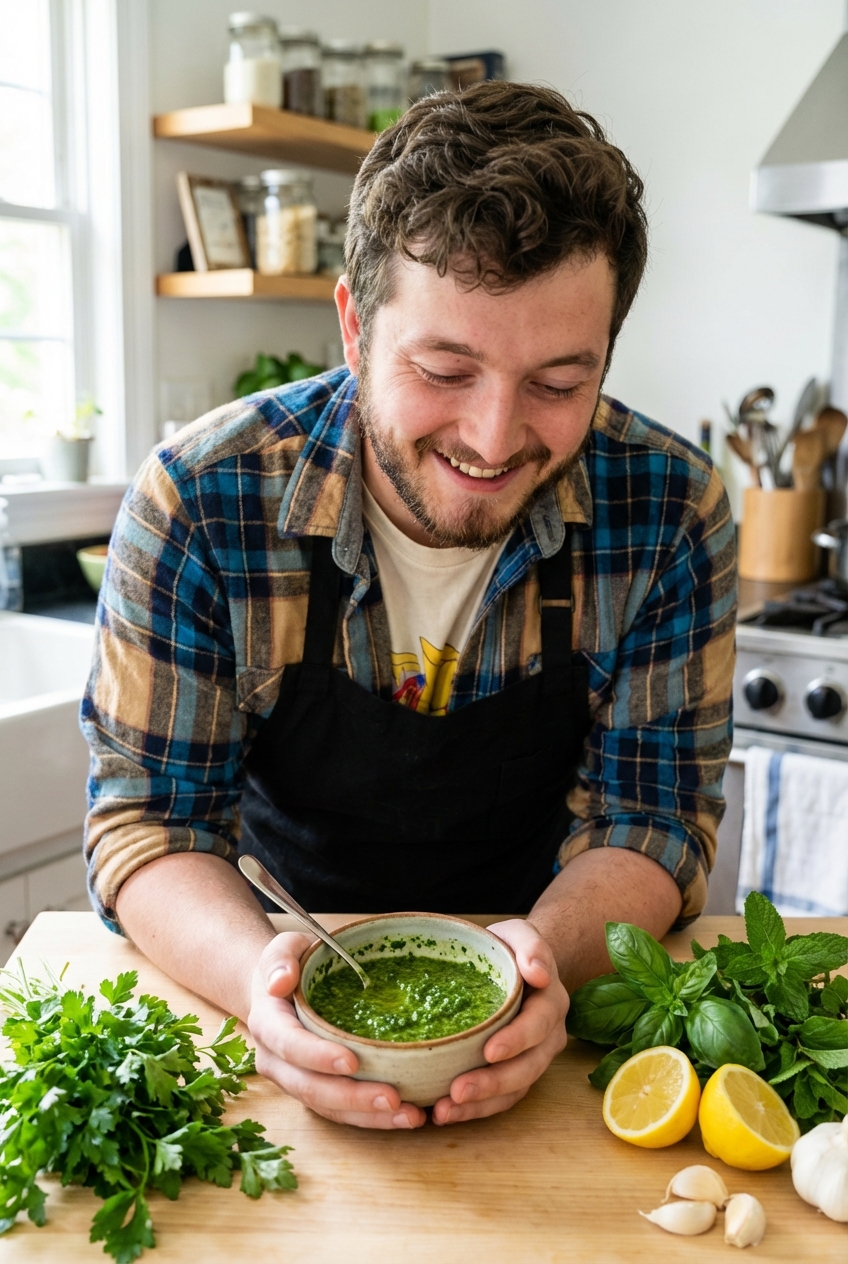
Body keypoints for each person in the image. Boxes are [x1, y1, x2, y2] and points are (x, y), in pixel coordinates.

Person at [81, 82, 736, 1131]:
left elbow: (651, 818)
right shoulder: (201, 500)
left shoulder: (670, 509)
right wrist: (264, 986)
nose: (492, 436)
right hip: (269, 972)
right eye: (444, 368)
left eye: (558, 382)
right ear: (352, 324)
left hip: (549, 990)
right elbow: (147, 824)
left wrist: (535, 976)